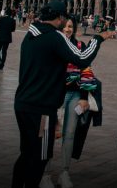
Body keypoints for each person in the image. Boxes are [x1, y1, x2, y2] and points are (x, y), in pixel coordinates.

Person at [11, 2, 113, 188]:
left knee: (27, 153)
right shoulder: (54, 37)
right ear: (59, 18)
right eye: (64, 19)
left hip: (23, 104)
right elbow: (82, 58)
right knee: (40, 157)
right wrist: (98, 38)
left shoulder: (31, 35)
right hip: (42, 109)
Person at [42, 18, 102, 188]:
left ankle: (64, 172)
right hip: (54, 96)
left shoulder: (80, 47)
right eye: (65, 26)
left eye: (70, 27)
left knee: (69, 134)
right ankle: (45, 175)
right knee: (49, 134)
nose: (67, 29)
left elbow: (86, 70)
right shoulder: (54, 45)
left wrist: (84, 97)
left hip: (75, 95)